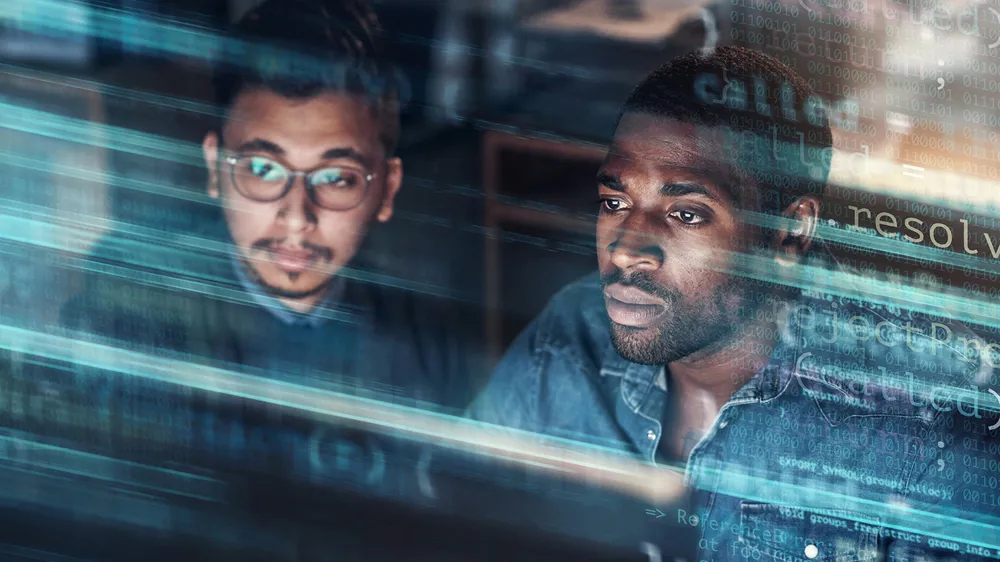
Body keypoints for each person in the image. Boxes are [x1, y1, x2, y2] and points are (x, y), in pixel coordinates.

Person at [469, 46, 1000, 561]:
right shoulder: (571, 335)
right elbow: (453, 514)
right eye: (615, 202)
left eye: (687, 214)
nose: (627, 248)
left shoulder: (928, 425)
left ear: (789, 232)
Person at [59, 0, 483, 465]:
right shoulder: (136, 306)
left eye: (337, 177)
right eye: (263, 169)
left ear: (387, 188)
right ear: (215, 168)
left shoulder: (427, 341)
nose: (297, 217)